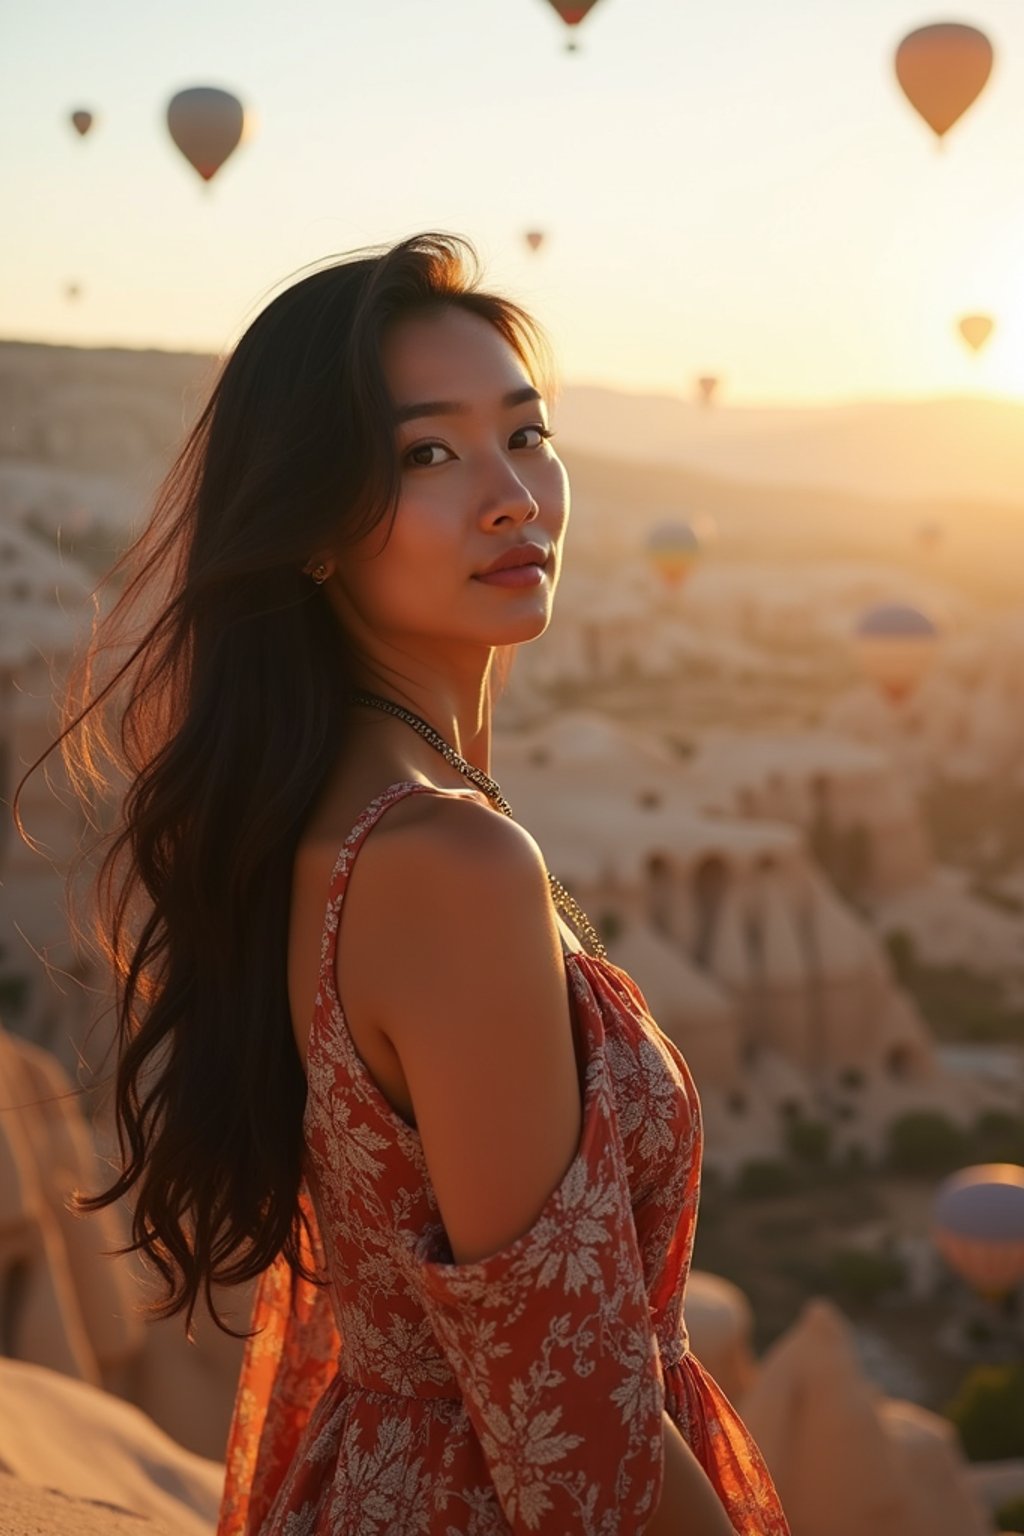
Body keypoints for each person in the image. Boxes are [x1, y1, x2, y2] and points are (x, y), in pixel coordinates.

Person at [31, 233, 791, 1534]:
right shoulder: (450, 862)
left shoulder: (318, 813)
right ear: (312, 529)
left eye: (528, 435)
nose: (511, 496)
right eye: (427, 455)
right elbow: (577, 1439)